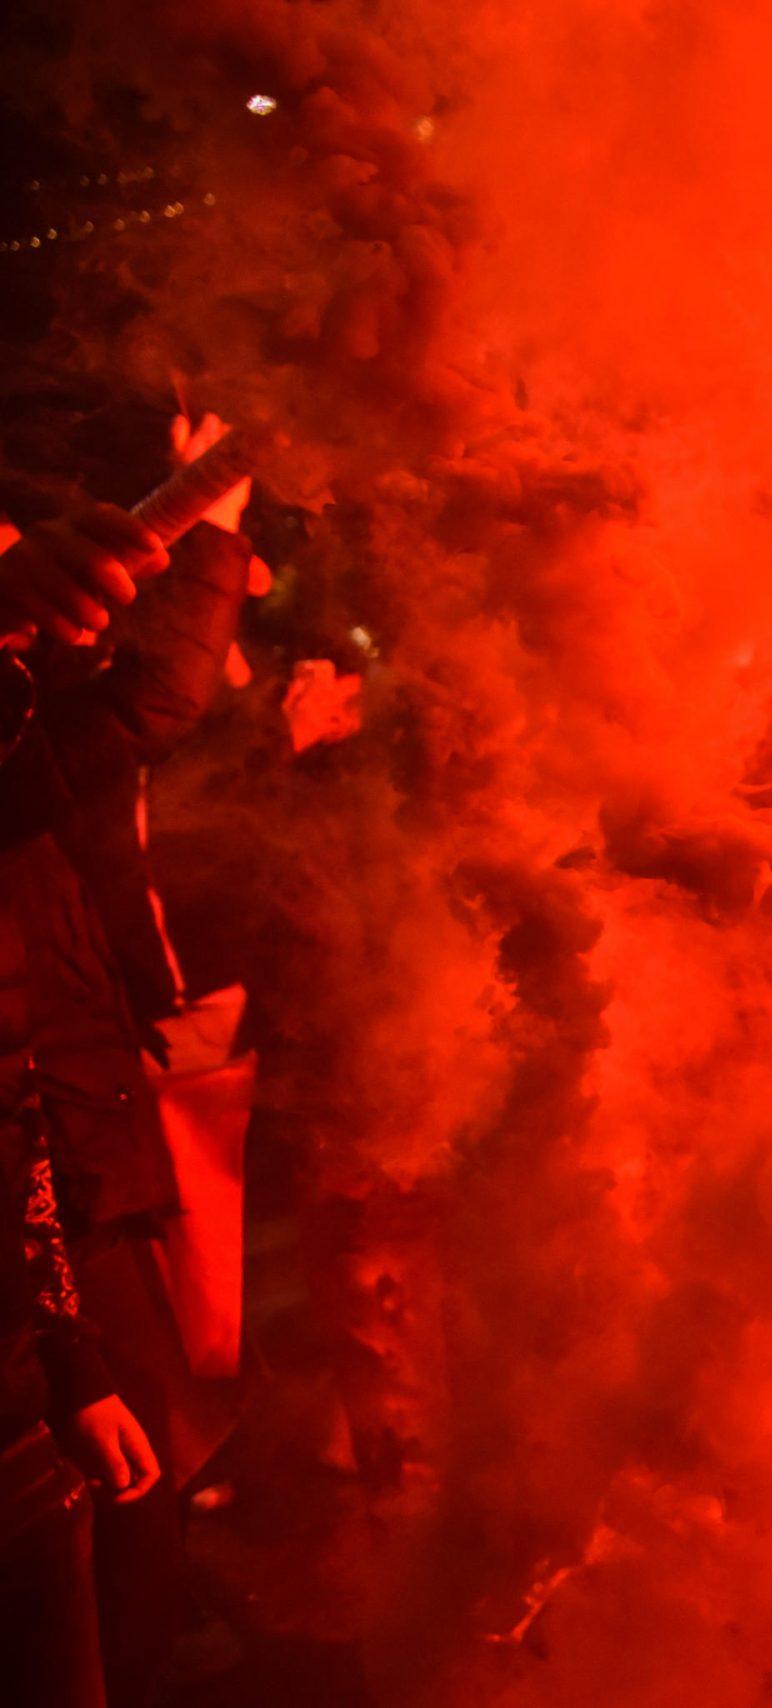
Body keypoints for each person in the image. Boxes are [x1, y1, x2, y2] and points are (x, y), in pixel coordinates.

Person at [0, 413, 262, 1707]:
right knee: (112, 1527)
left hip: (72, 1197)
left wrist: (209, 522)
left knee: (143, 1491)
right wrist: (70, 1365)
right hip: (44, 1248)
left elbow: (143, 703)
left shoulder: (22, 780)